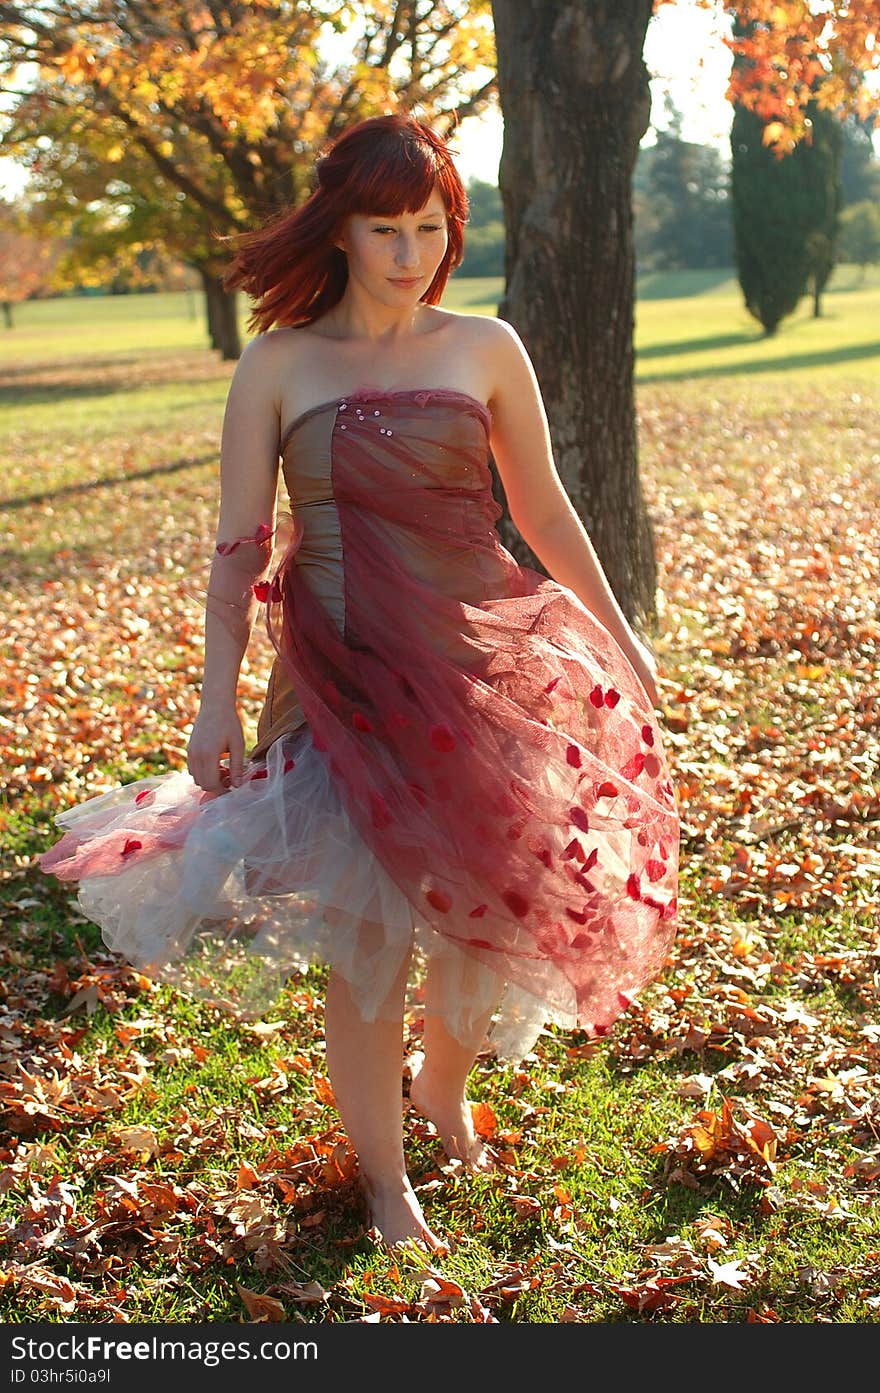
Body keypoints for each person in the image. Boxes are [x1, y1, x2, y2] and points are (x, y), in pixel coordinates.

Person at [39, 111, 679, 1253]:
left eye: (429, 226)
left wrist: (620, 637)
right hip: (338, 679)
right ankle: (388, 1183)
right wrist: (214, 696)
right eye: (383, 227)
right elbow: (239, 541)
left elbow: (541, 513)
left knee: (483, 917)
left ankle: (442, 1085)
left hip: (473, 667)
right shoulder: (281, 363)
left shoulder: (485, 345)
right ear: (339, 230)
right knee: (370, 942)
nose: (408, 252)